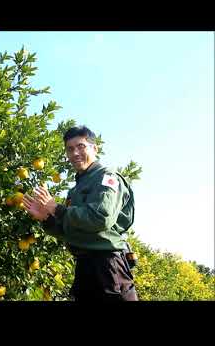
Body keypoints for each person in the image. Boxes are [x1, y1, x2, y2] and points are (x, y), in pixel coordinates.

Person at [22, 125, 138, 301]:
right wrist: (46, 219)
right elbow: (69, 231)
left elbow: (100, 219)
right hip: (85, 267)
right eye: (70, 149)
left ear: (94, 148)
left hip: (107, 267)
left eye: (81, 146)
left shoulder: (107, 177)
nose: (75, 153)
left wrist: (56, 208)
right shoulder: (75, 190)